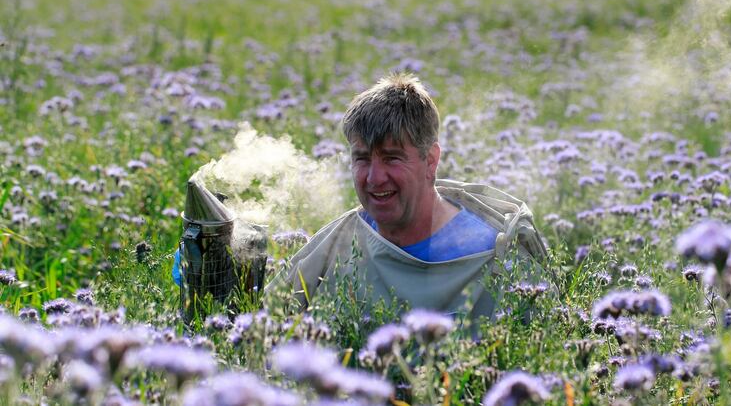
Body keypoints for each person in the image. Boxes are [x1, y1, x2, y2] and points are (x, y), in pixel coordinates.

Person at [174, 73, 549, 320]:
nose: (374, 177)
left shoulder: (497, 250)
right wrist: (207, 273)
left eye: (392, 158)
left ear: (430, 160)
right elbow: (261, 329)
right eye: (362, 158)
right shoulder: (340, 241)